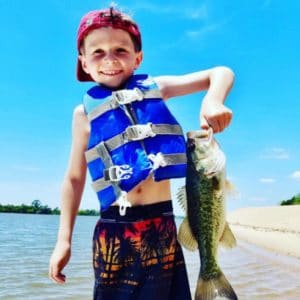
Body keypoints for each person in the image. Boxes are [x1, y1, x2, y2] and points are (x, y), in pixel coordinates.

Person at [49, 6, 234, 300]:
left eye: (120, 50)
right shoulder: (83, 115)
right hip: (114, 231)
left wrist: (212, 100)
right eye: (97, 52)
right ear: (83, 62)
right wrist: (63, 241)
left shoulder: (158, 88)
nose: (110, 59)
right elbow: (73, 179)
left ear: (138, 58)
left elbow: (220, 72)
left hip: (162, 228)